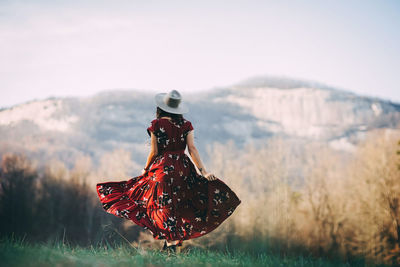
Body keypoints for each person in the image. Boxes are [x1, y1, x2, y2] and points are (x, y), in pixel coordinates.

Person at [96, 90, 241, 254]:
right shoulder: (186, 125)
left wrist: (145, 169)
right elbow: (192, 149)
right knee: (180, 206)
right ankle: (171, 245)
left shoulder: (156, 125)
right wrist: (203, 172)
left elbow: (154, 152)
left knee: (158, 205)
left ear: (161, 108)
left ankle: (170, 244)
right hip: (182, 170)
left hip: (162, 170)